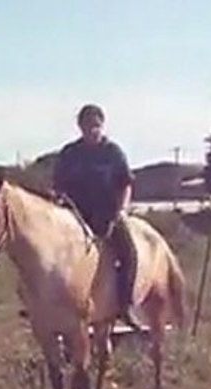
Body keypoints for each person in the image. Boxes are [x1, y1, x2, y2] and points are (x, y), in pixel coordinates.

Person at [52, 103, 143, 330]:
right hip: (75, 216)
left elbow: (125, 184)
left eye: (95, 125)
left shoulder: (112, 153)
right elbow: (58, 187)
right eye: (86, 125)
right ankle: (49, 304)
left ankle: (125, 305)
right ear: (80, 127)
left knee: (128, 254)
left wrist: (121, 211)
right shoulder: (69, 154)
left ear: (102, 125)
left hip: (108, 215)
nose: (91, 129)